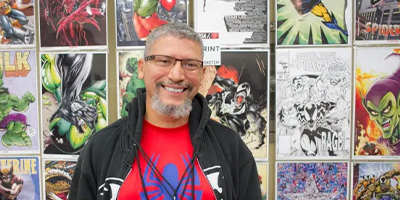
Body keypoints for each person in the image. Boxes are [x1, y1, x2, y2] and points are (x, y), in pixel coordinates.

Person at [69, 22, 262, 200]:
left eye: (190, 64)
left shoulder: (230, 147)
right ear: (142, 68)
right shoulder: (101, 147)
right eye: (164, 61)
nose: (177, 75)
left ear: (203, 74)